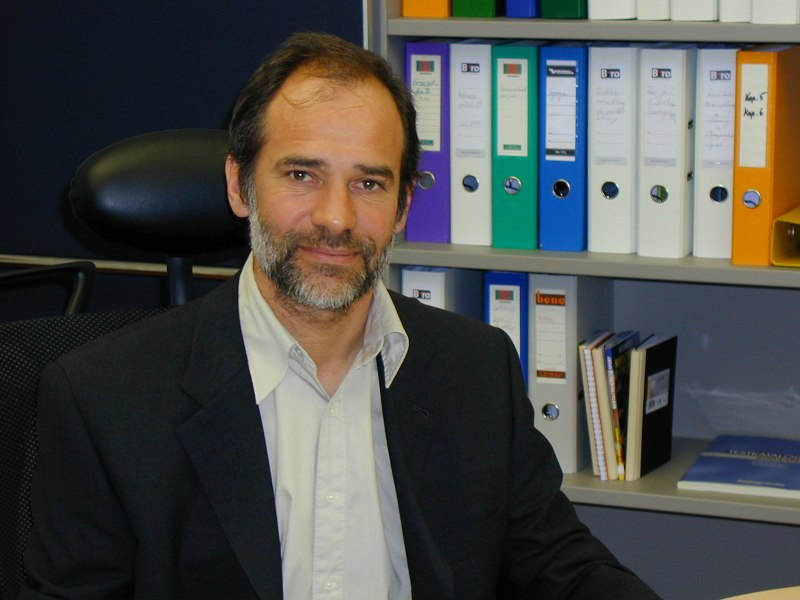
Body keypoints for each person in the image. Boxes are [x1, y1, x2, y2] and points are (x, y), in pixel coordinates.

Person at [21, 32, 662, 599]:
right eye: (302, 174)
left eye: (369, 183)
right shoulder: (105, 398)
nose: (336, 217)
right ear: (240, 185)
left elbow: (562, 568)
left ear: (403, 206)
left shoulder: (476, 367)